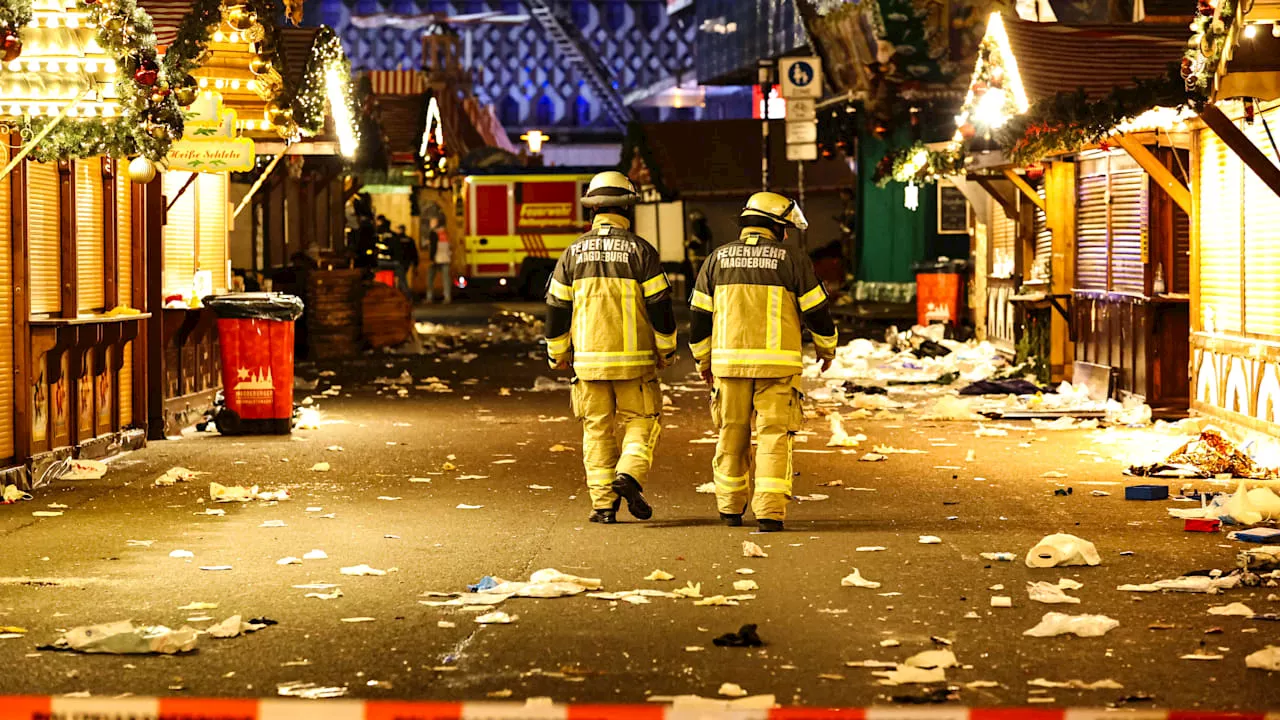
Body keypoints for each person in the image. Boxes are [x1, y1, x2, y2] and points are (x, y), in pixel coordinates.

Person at [688, 192, 838, 532]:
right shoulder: (793, 260)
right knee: (774, 436)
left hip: (728, 367)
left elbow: (698, 317)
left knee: (732, 435)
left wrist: (703, 360)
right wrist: (826, 348)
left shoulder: (716, 259)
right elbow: (817, 311)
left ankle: (729, 508)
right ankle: (770, 513)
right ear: (777, 226)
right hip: (778, 368)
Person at [545, 171, 677, 524]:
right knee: (642, 422)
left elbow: (558, 308)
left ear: (593, 210)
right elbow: (660, 306)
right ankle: (629, 475)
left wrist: (557, 353)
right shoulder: (641, 251)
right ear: (628, 209)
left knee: (596, 430)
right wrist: (667, 349)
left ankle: (604, 506)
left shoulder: (571, 254)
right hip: (635, 365)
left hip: (588, 364)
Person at [422, 215, 453, 304]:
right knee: (446, 279)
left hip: (436, 258)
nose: (430, 224)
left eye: (432, 222)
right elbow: (449, 245)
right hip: (446, 258)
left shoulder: (433, 233)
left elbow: (433, 247)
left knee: (430, 279)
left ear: (435, 223)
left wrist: (431, 258)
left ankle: (429, 298)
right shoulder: (445, 232)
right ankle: (447, 297)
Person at [391, 224, 419, 298]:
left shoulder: (395, 239)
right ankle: (402, 296)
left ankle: (407, 296)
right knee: (401, 279)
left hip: (399, 262)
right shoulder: (409, 239)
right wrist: (415, 264)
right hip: (407, 262)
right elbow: (414, 252)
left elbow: (393, 251)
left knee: (402, 280)